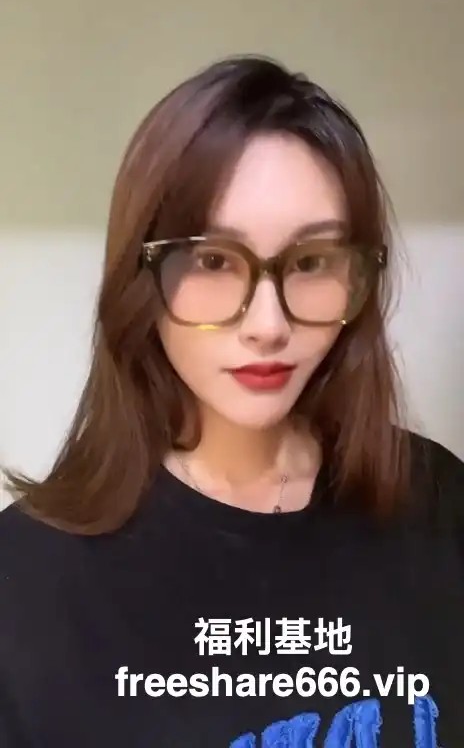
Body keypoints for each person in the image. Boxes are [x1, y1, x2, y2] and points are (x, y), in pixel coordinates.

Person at [0, 55, 463, 748]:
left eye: (311, 261)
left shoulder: (439, 502)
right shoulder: (26, 580)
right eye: (213, 260)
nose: (268, 325)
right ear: (142, 278)